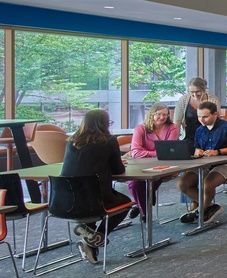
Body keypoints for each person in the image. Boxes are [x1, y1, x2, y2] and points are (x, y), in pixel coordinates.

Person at [60, 109, 132, 265]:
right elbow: (118, 170)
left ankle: (89, 237)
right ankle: (95, 239)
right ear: (104, 124)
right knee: (126, 204)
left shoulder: (72, 141)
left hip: (65, 200)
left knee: (92, 204)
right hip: (96, 198)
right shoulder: (108, 141)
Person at [182, 100, 227, 226]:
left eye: (205, 117)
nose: (201, 120)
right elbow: (197, 148)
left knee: (207, 184)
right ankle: (210, 207)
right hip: (206, 164)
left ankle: (200, 211)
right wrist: (198, 151)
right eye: (199, 117)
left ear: (215, 114)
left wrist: (218, 152)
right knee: (183, 184)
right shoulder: (200, 130)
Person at [126, 101, 178, 216]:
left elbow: (169, 151)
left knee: (149, 183)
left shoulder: (172, 127)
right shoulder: (141, 128)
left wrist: (147, 153)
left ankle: (143, 212)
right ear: (151, 114)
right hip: (140, 165)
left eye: (165, 115)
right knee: (134, 184)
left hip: (162, 165)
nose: (162, 117)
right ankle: (143, 207)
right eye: (159, 114)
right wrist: (156, 153)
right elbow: (135, 152)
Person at [173, 77, 210, 213]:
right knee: (188, 171)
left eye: (197, 92)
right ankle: (194, 200)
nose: (194, 95)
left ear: (204, 89)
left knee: (202, 170)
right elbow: (176, 122)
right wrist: (174, 142)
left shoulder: (212, 100)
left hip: (206, 139)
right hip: (188, 138)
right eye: (191, 92)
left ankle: (201, 201)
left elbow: (215, 119)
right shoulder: (183, 100)